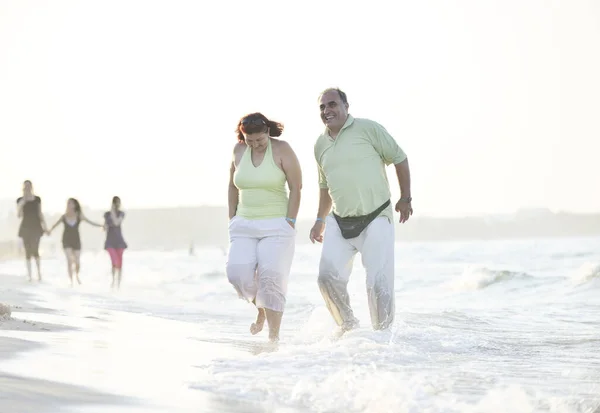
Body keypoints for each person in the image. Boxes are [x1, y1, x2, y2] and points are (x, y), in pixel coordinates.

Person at [309, 88, 413, 332]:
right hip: (340, 220)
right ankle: (348, 326)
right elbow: (325, 187)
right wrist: (319, 219)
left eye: (332, 104)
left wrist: (405, 197)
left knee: (378, 282)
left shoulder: (368, 129)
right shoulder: (320, 144)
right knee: (326, 278)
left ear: (346, 106)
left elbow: (399, 158)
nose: (327, 111)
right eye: (322, 107)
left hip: (376, 216)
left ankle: (382, 336)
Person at [226, 112, 302, 342]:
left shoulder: (282, 150)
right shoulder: (238, 151)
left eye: (259, 140)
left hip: (277, 224)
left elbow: (296, 187)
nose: (255, 145)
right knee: (237, 274)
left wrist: (290, 221)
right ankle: (260, 308)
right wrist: (232, 217)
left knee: (271, 279)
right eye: (250, 141)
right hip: (244, 224)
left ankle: (273, 338)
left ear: (267, 132)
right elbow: (232, 185)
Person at [47, 198, 104, 286]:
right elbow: (55, 225)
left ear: (75, 205)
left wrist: (101, 225)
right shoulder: (64, 216)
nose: (69, 205)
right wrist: (49, 230)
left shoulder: (79, 216)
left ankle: (76, 275)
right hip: (66, 240)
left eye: (71, 203)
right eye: (68, 203)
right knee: (69, 260)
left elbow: (90, 222)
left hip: (76, 240)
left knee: (77, 261)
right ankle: (71, 281)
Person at [16, 180, 48, 282]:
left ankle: (39, 273)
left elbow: (40, 213)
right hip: (25, 227)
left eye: (29, 186)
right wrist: (22, 203)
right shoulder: (20, 200)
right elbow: (19, 215)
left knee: (35, 249)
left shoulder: (37, 199)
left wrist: (45, 227)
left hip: (36, 227)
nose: (27, 188)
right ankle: (29, 274)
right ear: (23, 188)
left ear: (32, 187)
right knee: (27, 250)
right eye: (26, 186)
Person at [103, 196, 128, 289]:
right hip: (110, 241)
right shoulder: (106, 214)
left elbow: (117, 222)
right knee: (114, 261)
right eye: (115, 202)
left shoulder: (121, 213)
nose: (117, 204)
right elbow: (105, 225)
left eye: (118, 202)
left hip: (119, 241)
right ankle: (113, 281)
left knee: (120, 263)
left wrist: (113, 213)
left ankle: (118, 284)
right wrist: (104, 227)